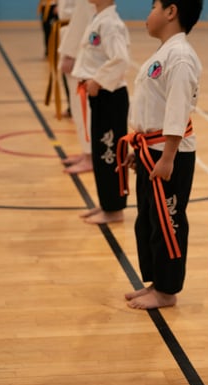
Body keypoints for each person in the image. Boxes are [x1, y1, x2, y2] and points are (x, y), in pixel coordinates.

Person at [120, 0, 203, 310]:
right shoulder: (166, 53)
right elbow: (151, 107)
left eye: (153, 6)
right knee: (150, 221)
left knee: (168, 222)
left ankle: (167, 290)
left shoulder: (180, 56)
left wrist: (167, 156)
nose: (148, 14)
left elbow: (177, 109)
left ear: (171, 12)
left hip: (169, 155)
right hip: (151, 150)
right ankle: (157, 282)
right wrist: (138, 151)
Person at [71, 0, 130, 224]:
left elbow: (121, 59)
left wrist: (98, 80)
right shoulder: (99, 19)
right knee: (100, 153)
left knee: (110, 154)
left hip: (110, 95)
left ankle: (115, 209)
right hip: (101, 95)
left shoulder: (111, 24)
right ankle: (106, 203)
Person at [58, 0, 96, 173]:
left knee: (83, 105)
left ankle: (90, 155)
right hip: (71, 35)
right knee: (77, 106)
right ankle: (86, 151)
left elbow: (84, 17)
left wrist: (71, 52)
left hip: (81, 44)